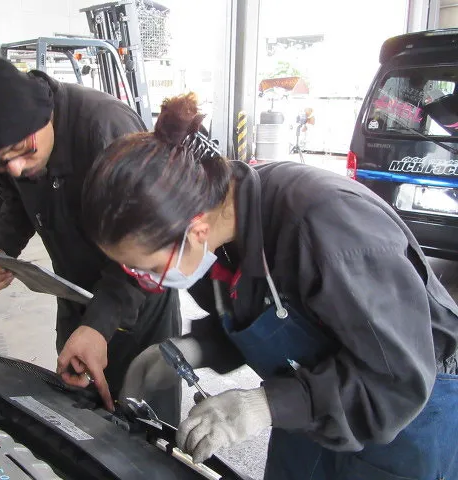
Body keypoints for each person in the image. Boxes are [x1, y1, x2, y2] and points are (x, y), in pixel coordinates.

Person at [80, 92, 458, 479]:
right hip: (312, 398)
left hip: (404, 404)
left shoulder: (327, 229)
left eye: (149, 268)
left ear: (195, 232)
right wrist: (191, 348)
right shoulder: (220, 232)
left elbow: (397, 379)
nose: (146, 281)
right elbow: (267, 317)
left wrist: (262, 406)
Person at [0, 56, 181, 423]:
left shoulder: (107, 128)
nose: (15, 169)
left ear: (43, 114)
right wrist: (2, 249)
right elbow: (13, 199)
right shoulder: (13, 146)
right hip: (72, 293)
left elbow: (151, 241)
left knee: (144, 426)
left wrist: (100, 324)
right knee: (79, 419)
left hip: (138, 298)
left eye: (23, 153)